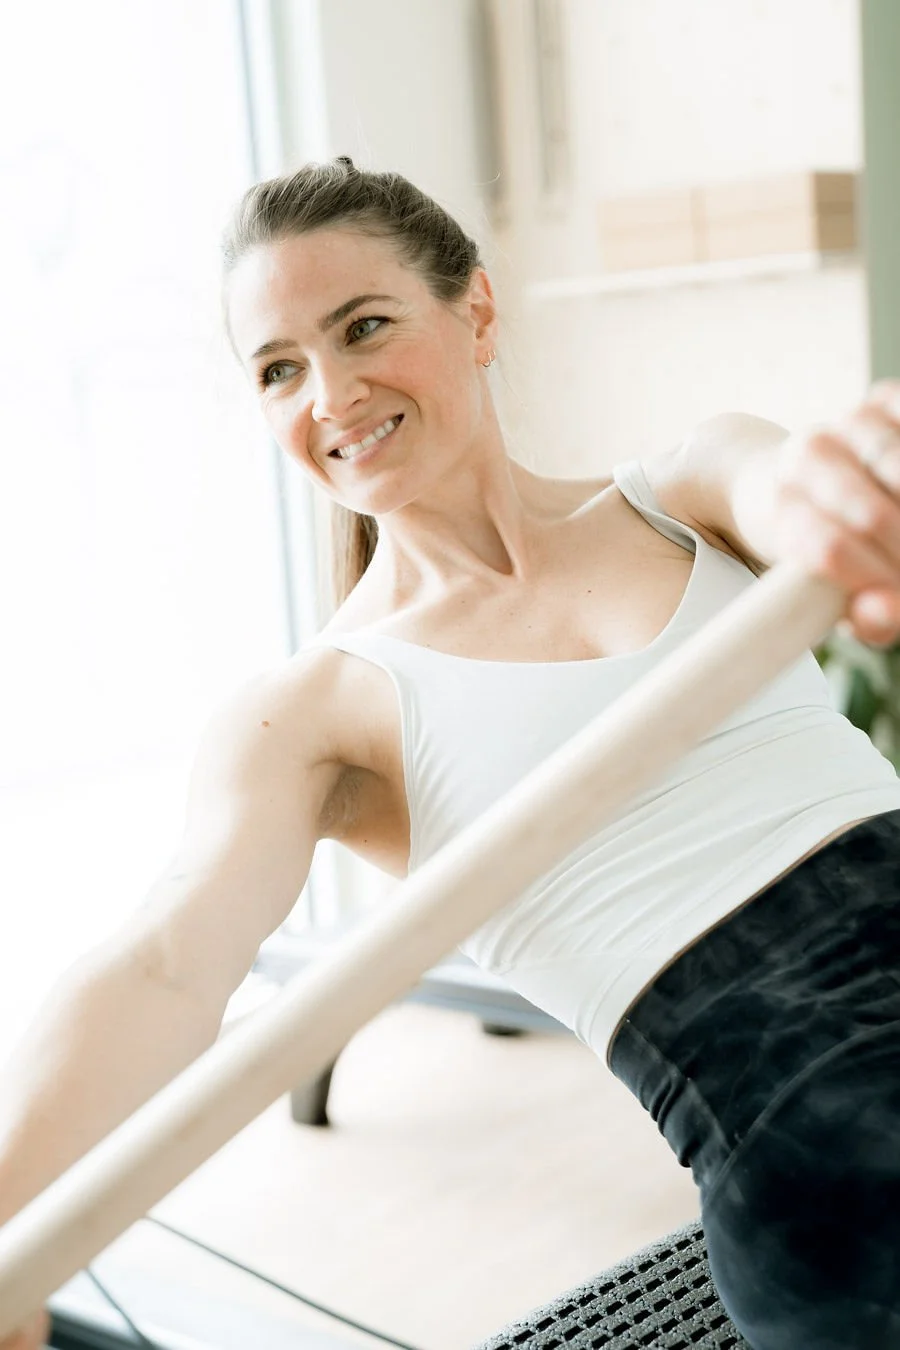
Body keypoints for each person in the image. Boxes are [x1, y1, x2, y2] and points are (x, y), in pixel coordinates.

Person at [4, 156, 900, 1350]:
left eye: (363, 326)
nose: (329, 393)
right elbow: (167, 959)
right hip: (835, 1167)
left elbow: (785, 484)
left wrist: (835, 501)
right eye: (279, 370)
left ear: (474, 310)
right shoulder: (315, 710)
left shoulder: (686, 489)